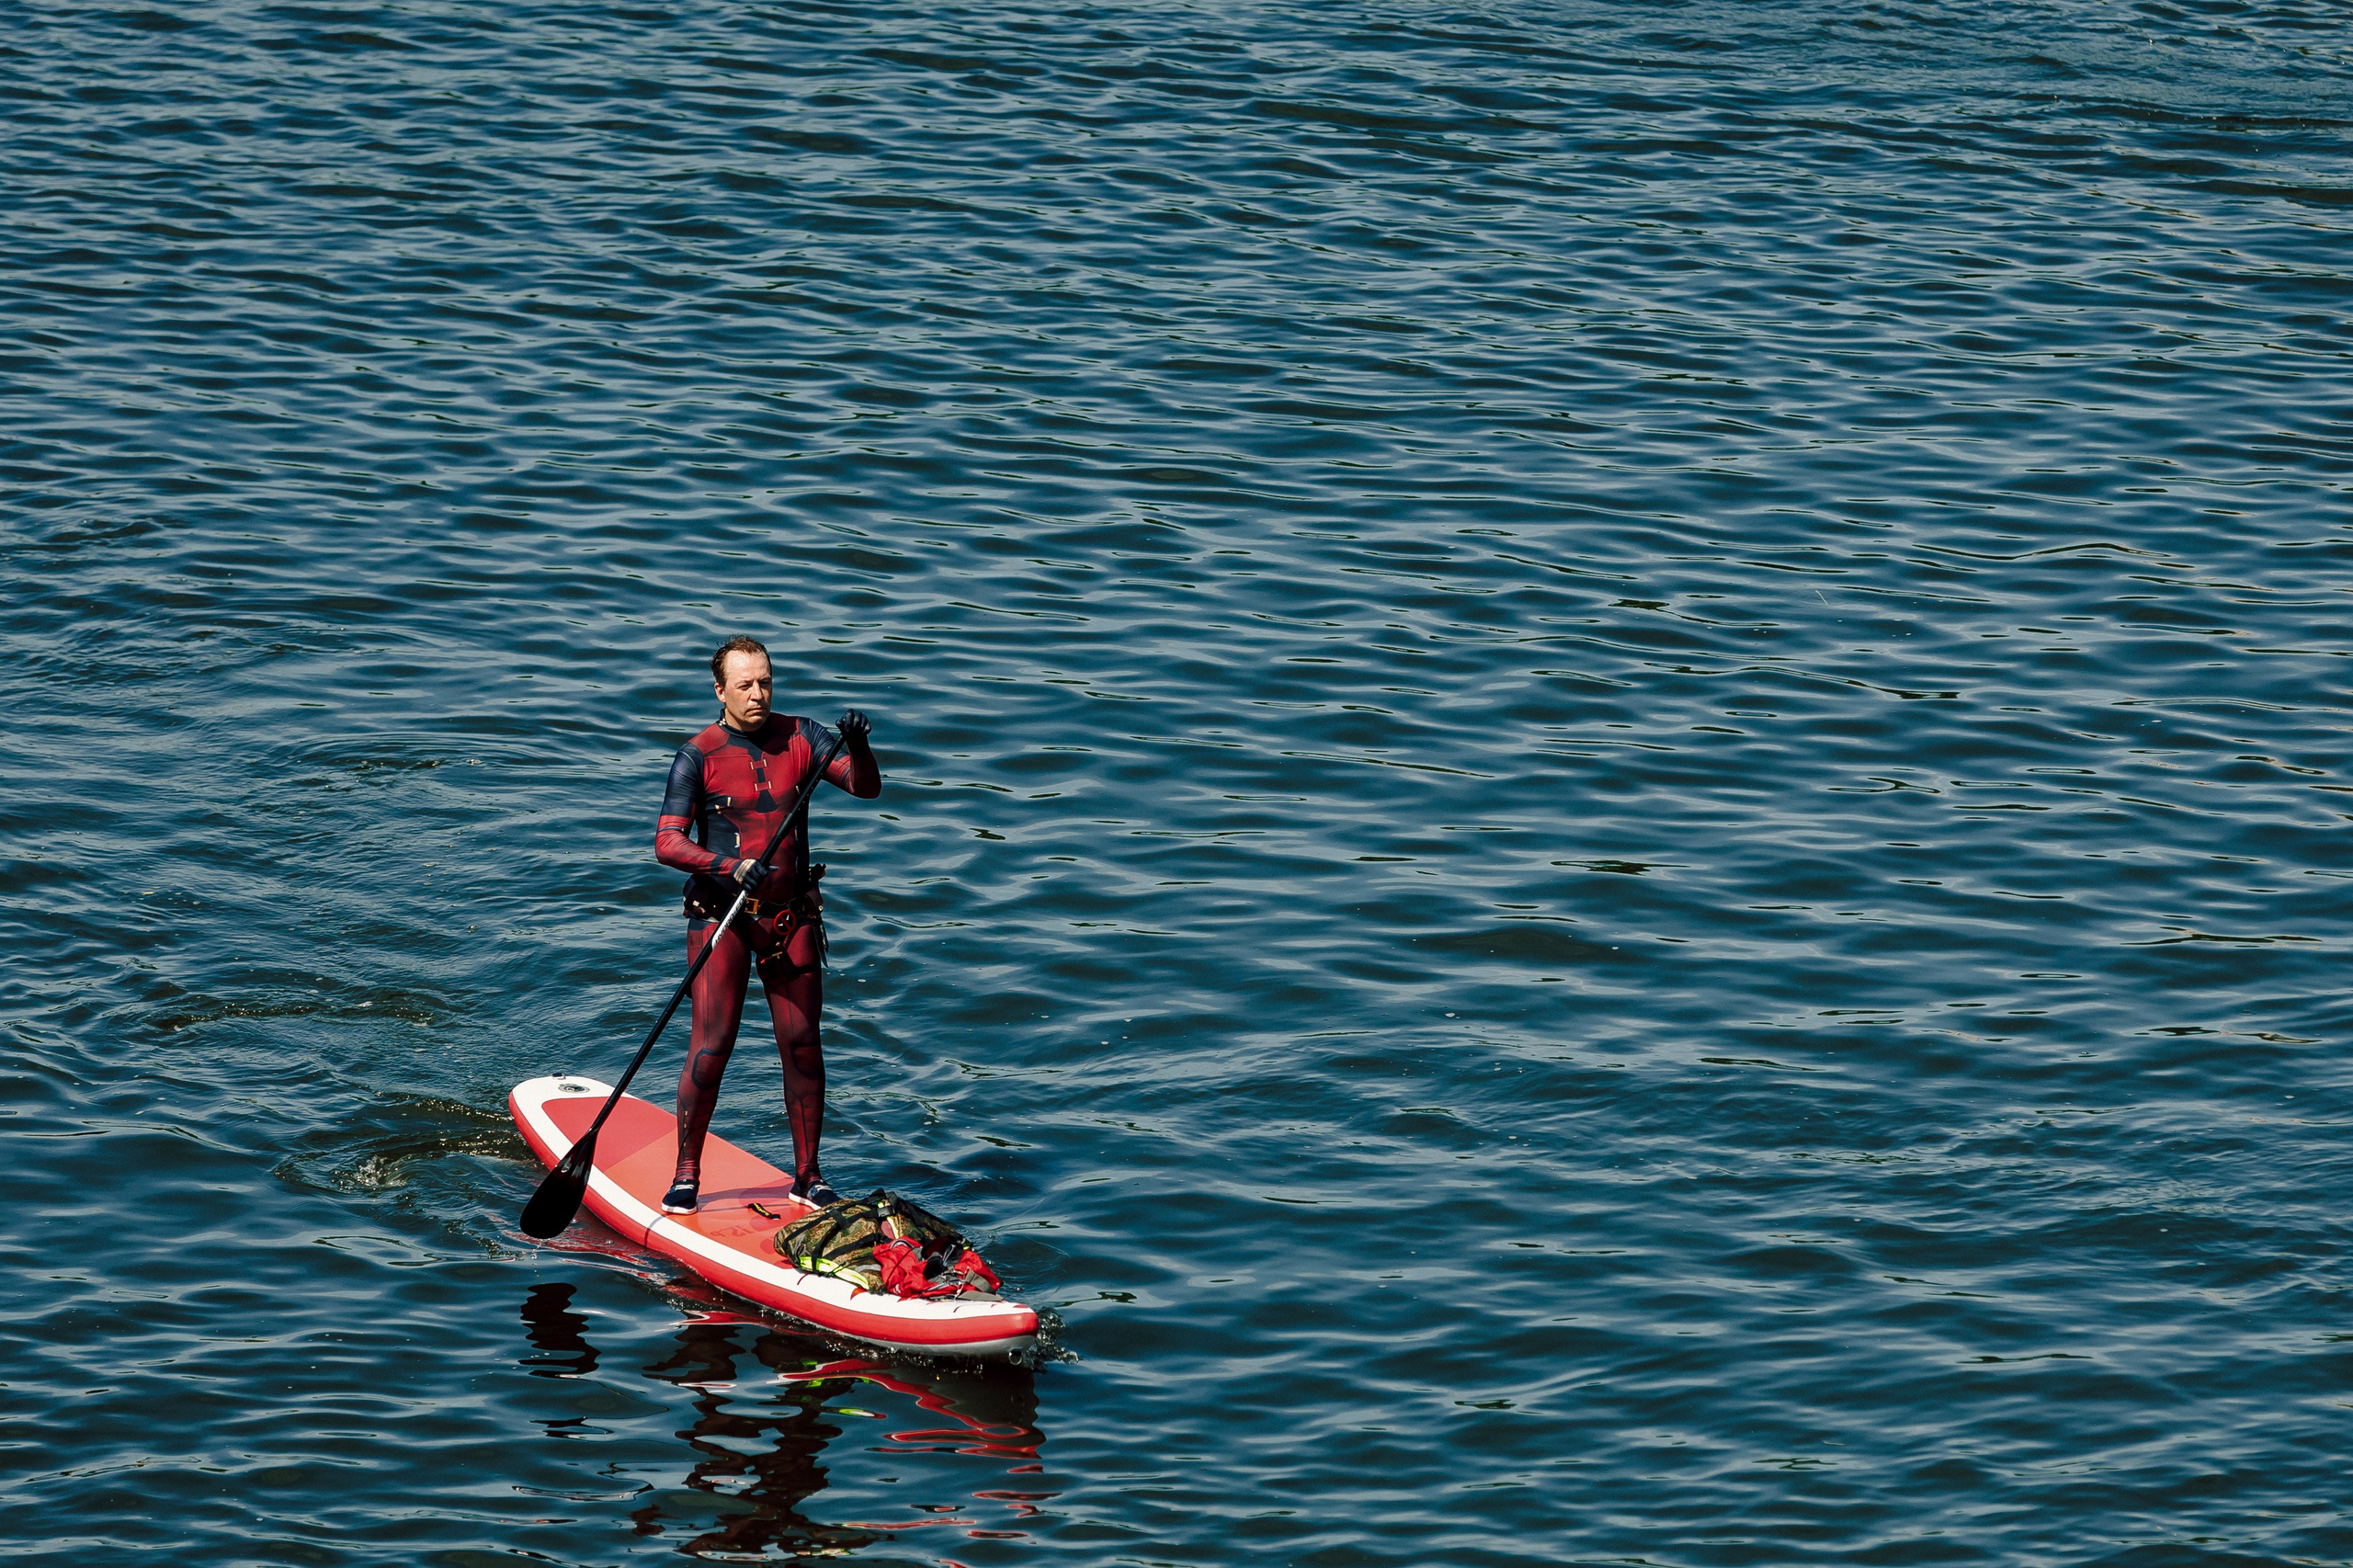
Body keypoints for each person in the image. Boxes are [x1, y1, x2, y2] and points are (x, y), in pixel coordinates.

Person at [653, 634, 881, 1213]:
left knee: (803, 1046)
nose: (758, 694)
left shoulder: (804, 736)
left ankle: (808, 1177)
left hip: (791, 916)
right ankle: (686, 1176)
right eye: (745, 685)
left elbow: (865, 786)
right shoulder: (697, 756)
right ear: (720, 690)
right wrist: (728, 866)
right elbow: (667, 842)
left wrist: (858, 745)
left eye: (765, 682)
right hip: (722, 916)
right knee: (713, 1046)